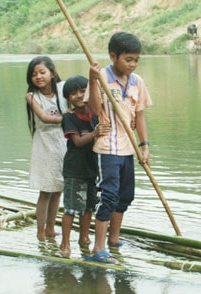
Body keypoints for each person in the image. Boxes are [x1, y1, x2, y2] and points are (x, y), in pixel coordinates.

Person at [85, 32, 152, 264]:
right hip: (108, 148)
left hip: (128, 148)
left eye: (136, 60)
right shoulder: (102, 76)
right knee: (109, 196)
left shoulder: (137, 82)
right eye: (128, 59)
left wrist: (144, 146)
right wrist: (93, 81)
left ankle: (114, 240)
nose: (132, 64)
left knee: (125, 196)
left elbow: (140, 116)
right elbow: (94, 109)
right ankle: (98, 248)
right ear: (113, 56)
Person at [59, 75, 110, 257]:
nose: (79, 96)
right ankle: (64, 244)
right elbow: (78, 142)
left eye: (83, 91)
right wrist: (95, 133)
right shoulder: (70, 118)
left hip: (92, 169)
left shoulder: (95, 115)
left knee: (88, 206)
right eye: (73, 94)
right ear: (68, 99)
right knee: (72, 208)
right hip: (75, 170)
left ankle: (84, 238)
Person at [25, 56, 67, 241]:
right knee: (45, 189)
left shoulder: (62, 89)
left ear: (53, 73)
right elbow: (43, 117)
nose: (38, 77)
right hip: (44, 144)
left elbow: (83, 94)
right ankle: (40, 231)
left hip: (63, 142)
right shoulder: (32, 96)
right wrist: (67, 119)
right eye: (34, 74)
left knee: (58, 188)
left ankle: (51, 228)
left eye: (42, 72)